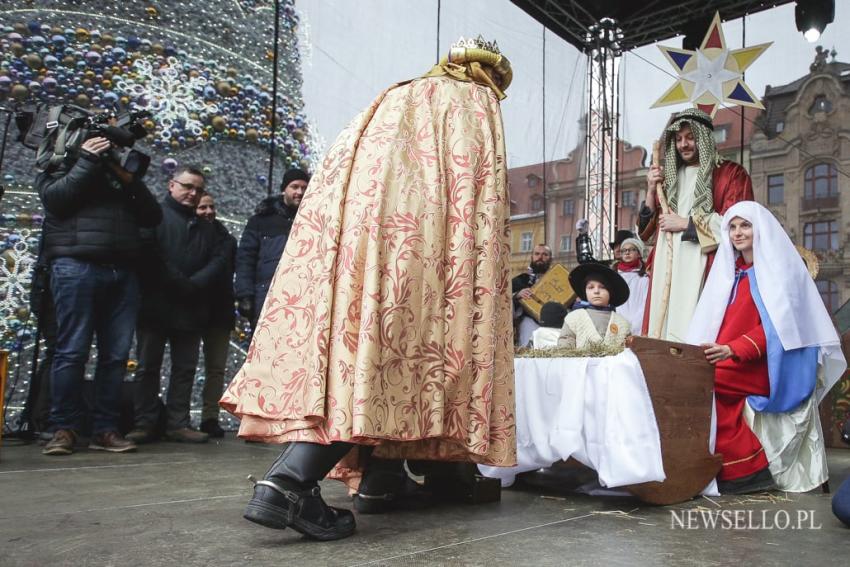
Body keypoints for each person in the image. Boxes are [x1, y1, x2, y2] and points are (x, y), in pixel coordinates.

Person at [220, 37, 516, 540]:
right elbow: (475, 203)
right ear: (489, 76)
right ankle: (288, 485)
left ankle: (385, 476)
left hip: (362, 241)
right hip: (423, 245)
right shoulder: (472, 102)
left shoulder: (396, 96)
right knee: (409, 355)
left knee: (371, 354)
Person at [687, 201, 846, 494]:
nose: (737, 233)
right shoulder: (731, 273)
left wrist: (734, 349)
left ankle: (747, 468)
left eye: (745, 225)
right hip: (732, 359)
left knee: (707, 381)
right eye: (732, 227)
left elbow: (780, 328)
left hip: (774, 365)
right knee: (689, 377)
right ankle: (737, 469)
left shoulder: (780, 272)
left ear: (761, 228)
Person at [36, 135, 162, 455]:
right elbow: (56, 200)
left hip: (122, 271)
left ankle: (105, 428)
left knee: (116, 356)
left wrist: (127, 178)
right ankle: (62, 427)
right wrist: (86, 162)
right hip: (75, 265)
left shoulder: (120, 177)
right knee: (71, 351)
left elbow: (151, 216)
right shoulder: (60, 164)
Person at [129, 167, 228, 444]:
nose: (193, 193)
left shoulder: (210, 230)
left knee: (185, 368)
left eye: (198, 189)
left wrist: (194, 285)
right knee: (148, 367)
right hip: (155, 305)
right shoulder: (154, 217)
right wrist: (178, 281)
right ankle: (144, 423)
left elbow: (219, 261)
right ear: (172, 185)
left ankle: (177, 423)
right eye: (187, 186)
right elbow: (149, 253)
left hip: (192, 309)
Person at [639, 108, 754, 341]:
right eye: (679, 139)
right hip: (666, 264)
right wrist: (651, 190)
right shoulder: (668, 178)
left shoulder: (731, 174)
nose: (684, 144)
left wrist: (686, 223)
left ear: (704, 138)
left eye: (690, 137)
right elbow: (644, 232)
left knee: (695, 332)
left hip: (705, 263)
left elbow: (739, 224)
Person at [234, 169, 309, 331]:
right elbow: (246, 258)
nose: (300, 192)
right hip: (266, 295)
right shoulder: (261, 221)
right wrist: (245, 295)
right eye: (294, 187)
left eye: (304, 188)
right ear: (284, 189)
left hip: (301, 297)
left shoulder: (312, 221)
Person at [195, 193, 237, 438]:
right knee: (186, 366)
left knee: (216, 368)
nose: (208, 211)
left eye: (211, 206)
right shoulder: (189, 236)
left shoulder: (226, 240)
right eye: (203, 207)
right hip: (191, 307)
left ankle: (209, 416)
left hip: (219, 310)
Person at [557, 262, 630, 350]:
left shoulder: (622, 323)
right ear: (585, 292)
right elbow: (565, 347)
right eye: (591, 287)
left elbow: (628, 352)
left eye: (602, 287)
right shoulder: (574, 318)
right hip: (581, 363)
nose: (596, 291)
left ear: (610, 292)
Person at [512, 244, 552, 347]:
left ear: (550, 259)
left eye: (545, 254)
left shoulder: (558, 280)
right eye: (537, 254)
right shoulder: (520, 280)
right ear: (532, 257)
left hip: (552, 327)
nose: (540, 257)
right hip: (528, 325)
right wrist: (516, 296)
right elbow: (503, 301)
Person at [615, 237, 649, 335]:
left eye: (631, 249)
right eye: (624, 250)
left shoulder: (644, 278)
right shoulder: (615, 276)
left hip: (638, 326)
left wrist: (635, 325)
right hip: (618, 325)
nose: (627, 252)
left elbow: (645, 304)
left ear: (639, 254)